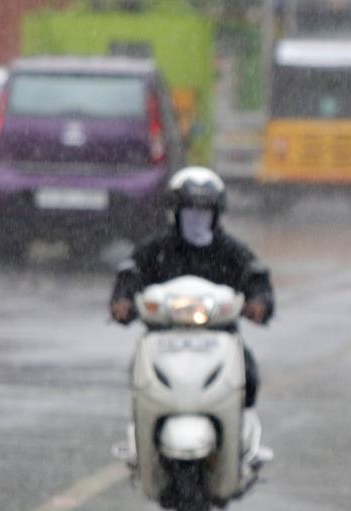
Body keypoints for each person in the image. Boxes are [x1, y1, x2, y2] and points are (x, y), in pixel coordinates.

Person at [109, 166, 275, 462]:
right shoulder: (156, 250)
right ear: (175, 212)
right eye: (189, 210)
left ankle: (242, 441)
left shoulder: (231, 251)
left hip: (219, 337)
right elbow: (130, 274)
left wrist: (259, 302)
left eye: (204, 211)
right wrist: (123, 301)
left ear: (216, 214)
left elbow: (256, 277)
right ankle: (143, 444)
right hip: (164, 338)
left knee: (248, 375)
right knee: (137, 375)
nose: (197, 218)